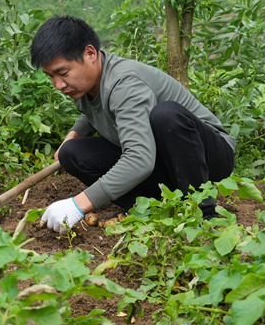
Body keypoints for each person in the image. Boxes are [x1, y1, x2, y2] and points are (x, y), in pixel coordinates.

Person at [29, 16, 235, 233]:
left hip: (208, 157)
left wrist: (77, 204)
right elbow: (95, 110)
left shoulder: (124, 83)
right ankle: (146, 207)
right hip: (166, 161)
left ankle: (204, 213)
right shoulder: (84, 84)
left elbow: (139, 158)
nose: (59, 85)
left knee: (166, 115)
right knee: (71, 153)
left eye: (63, 73)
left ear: (89, 53)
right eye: (50, 76)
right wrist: (74, 133)